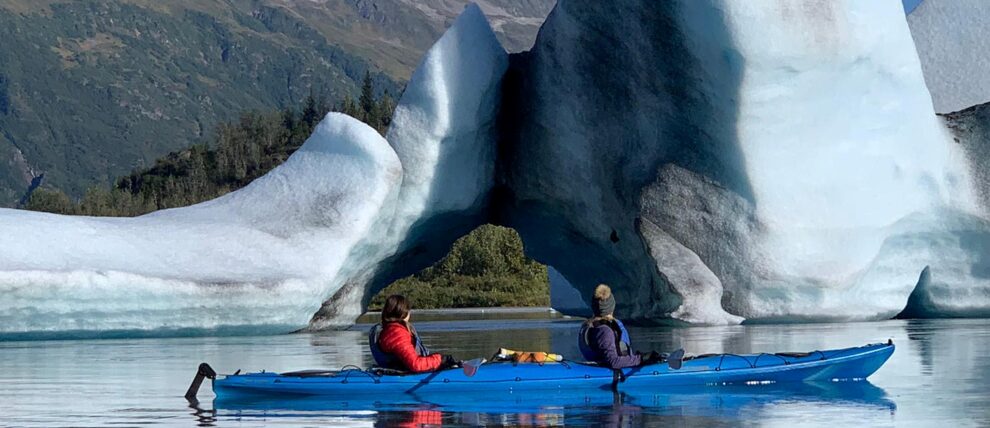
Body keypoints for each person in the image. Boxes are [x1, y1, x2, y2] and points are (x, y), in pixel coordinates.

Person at [578, 284, 662, 369]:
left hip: (599, 368)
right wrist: (641, 358)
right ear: (612, 307)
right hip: (614, 372)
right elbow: (614, 362)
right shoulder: (605, 331)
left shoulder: (589, 326)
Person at [369, 294, 458, 373]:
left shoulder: (389, 330)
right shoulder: (397, 333)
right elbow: (415, 365)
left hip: (401, 372)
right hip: (405, 377)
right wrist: (440, 360)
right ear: (404, 313)